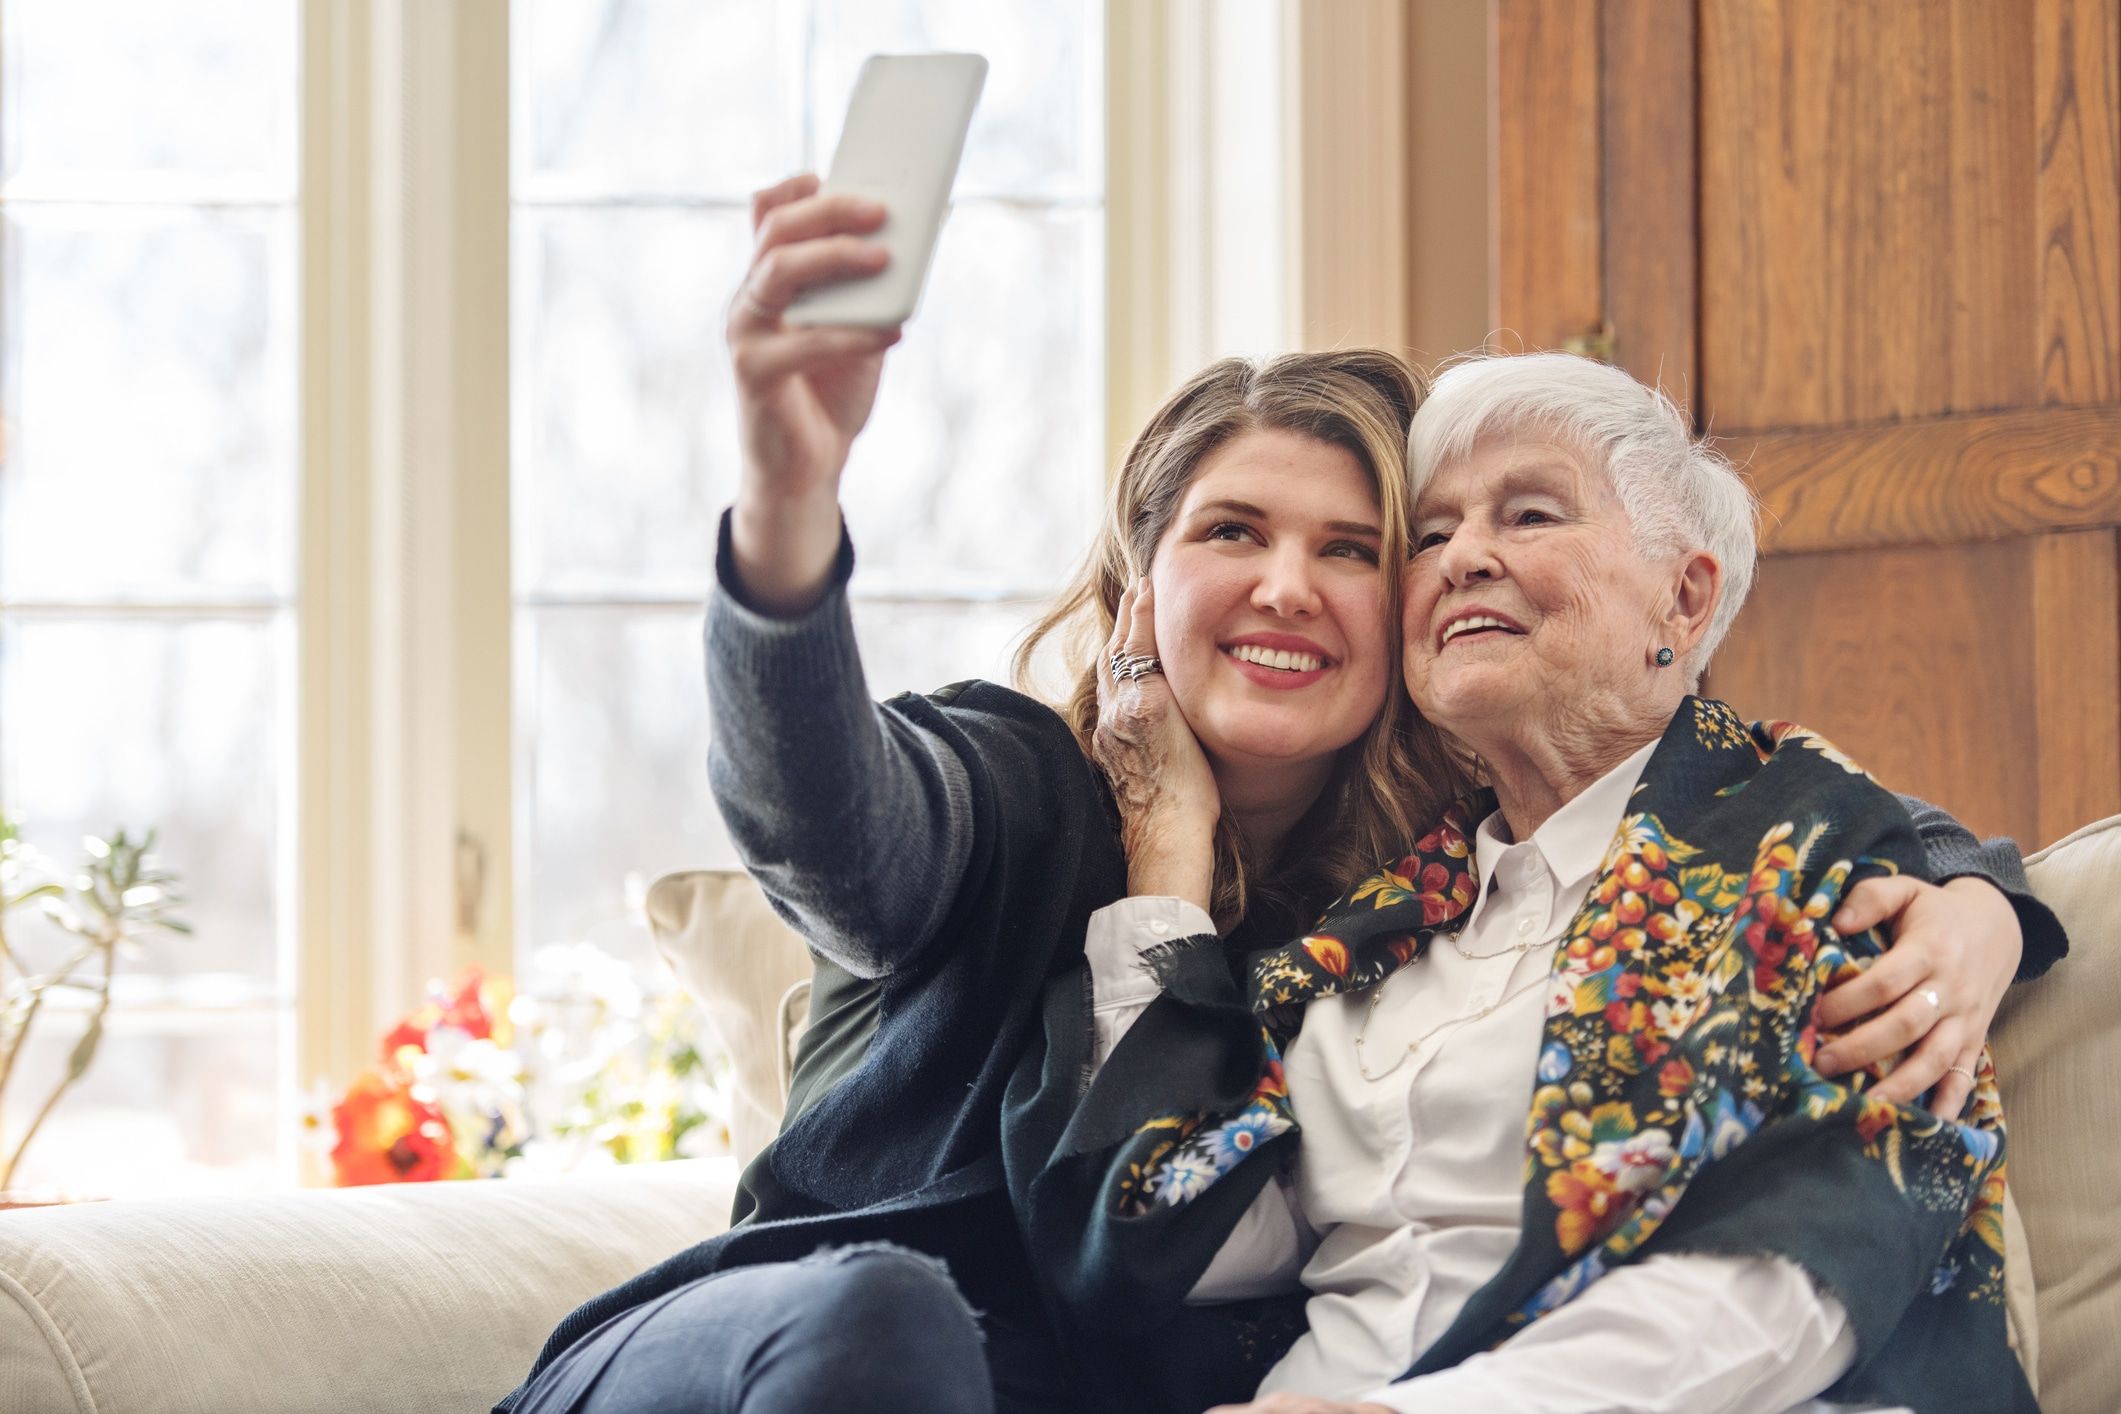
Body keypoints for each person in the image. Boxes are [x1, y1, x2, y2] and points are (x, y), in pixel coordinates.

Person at [497, 179, 2054, 1414]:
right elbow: (832, 833)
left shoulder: (1415, 907)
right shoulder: (1018, 785)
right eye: (1232, 531)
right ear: (1136, 590)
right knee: (894, 1325)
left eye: (1356, 547)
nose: (1287, 587)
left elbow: (1762, 812)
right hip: (794, 1344)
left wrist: (1983, 902)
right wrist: (785, 507)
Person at [1040, 351, 2053, 1414]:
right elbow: (1185, 1236)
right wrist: (1166, 866)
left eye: (1528, 516)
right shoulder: (1384, 922)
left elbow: (1797, 1276)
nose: (1465, 556)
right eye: (1430, 535)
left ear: (1685, 595)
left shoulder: (1810, 854)